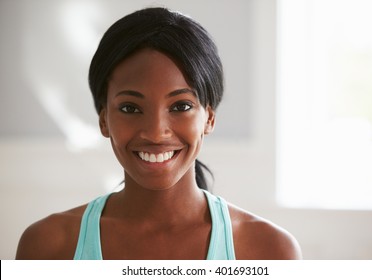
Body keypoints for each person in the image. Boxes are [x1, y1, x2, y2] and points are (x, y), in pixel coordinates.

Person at [16, 7, 301, 260]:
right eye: (130, 108)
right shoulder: (47, 248)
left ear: (209, 117)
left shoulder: (270, 251)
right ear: (103, 119)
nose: (155, 132)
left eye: (180, 106)